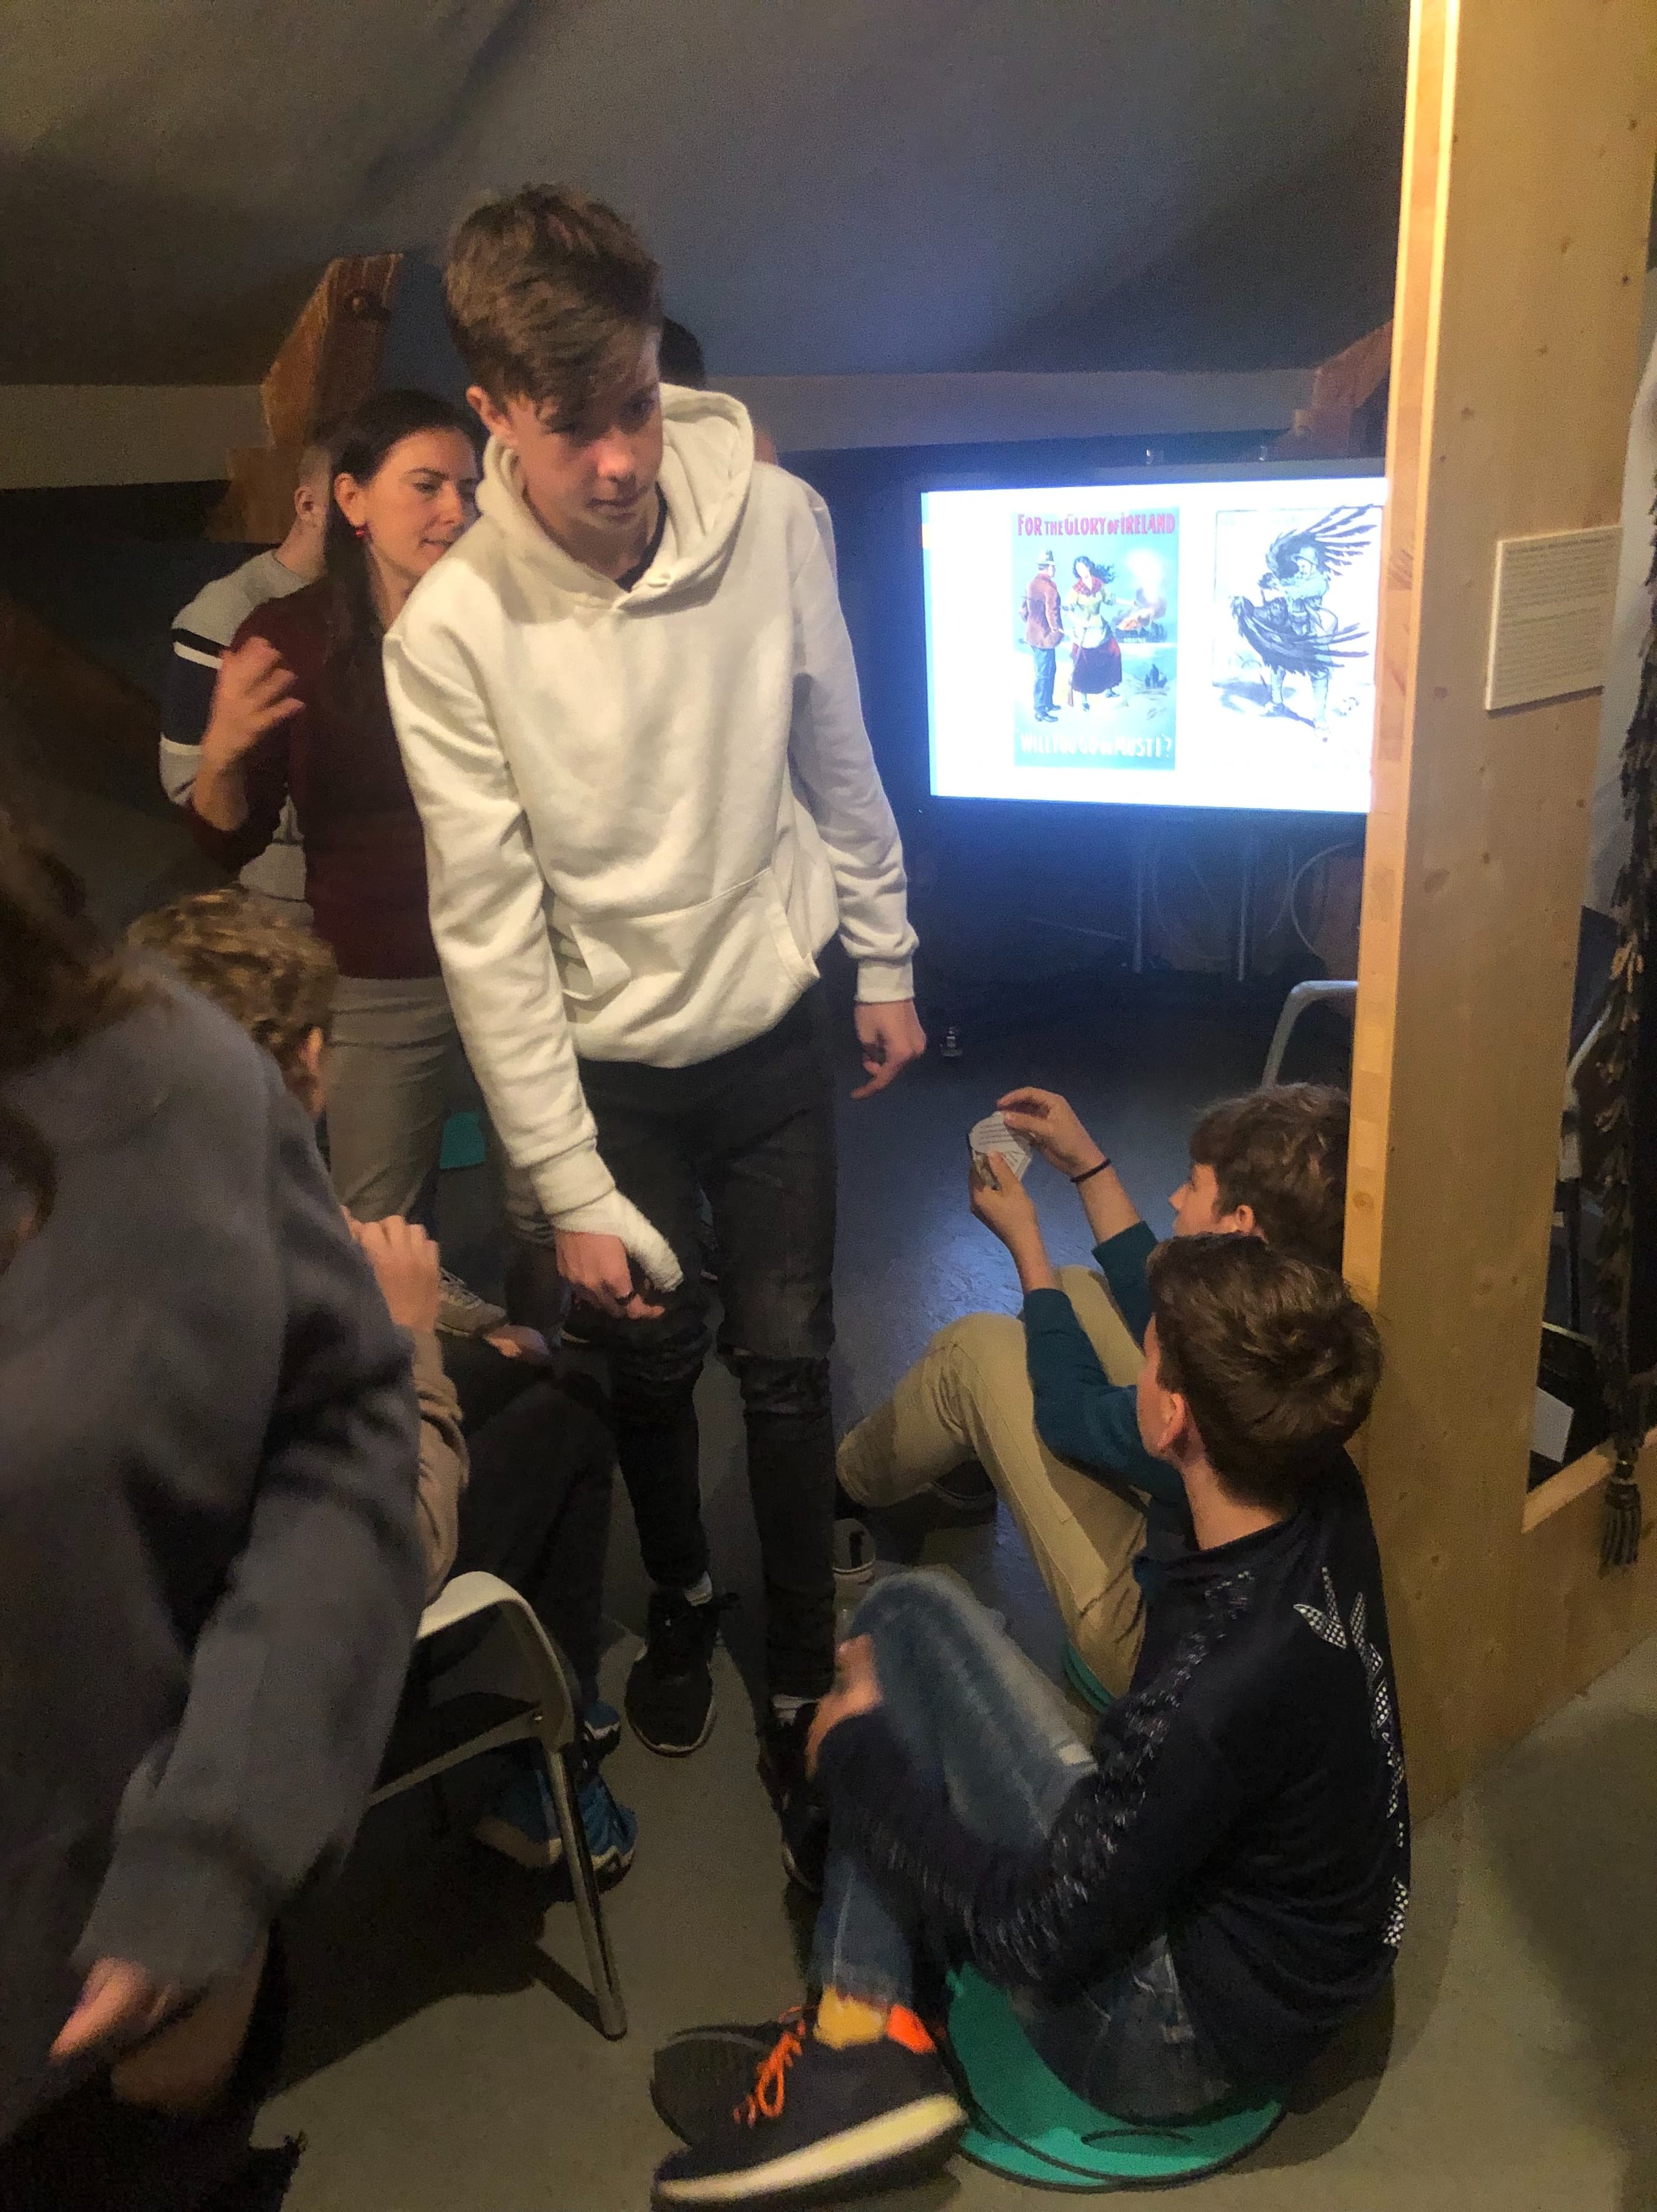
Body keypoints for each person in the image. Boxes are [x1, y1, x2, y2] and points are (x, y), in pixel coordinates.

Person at [381, 187, 924, 1880]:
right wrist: (565, 1180)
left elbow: (836, 744)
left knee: (786, 1358)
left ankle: (793, 1670)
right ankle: (682, 1596)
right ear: (493, 412)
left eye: (633, 403)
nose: (620, 459)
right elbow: (487, 928)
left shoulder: (773, 516)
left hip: (767, 1031)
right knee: (648, 1365)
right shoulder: (452, 629)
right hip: (605, 1069)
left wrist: (885, 953)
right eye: (573, 428)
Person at [652, 1234, 1405, 2208]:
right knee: (912, 1607)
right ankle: (859, 2015)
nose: (1136, 1372)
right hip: (1317, 1961)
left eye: (1148, 1358)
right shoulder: (1316, 1486)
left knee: (885, 1687)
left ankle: (852, 2051)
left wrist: (860, 1765)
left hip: (1178, 2038)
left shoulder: (1210, 1685)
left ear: (1172, 1413)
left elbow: (1032, 1934)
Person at [0, 808, 425, 2209]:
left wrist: (215, 1849)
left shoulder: (158, 1077)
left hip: (101, 2051)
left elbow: (331, 1442)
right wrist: (436, 1358)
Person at [126, 887, 637, 1877]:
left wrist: (466, 1336)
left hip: (164, 1611)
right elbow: (401, 1544)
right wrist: (415, 1343)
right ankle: (552, 1771)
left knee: (523, 1360)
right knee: (572, 1413)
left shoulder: (149, 1194)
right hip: (302, 1629)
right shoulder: (249, 1272)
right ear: (310, 1060)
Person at [838, 1082, 1350, 1702]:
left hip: (1161, 1647)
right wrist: (1088, 1167)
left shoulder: (1217, 1396)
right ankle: (965, 1466)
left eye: (1192, 1185)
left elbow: (1068, 1414)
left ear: (1241, 1227)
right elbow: (1161, 1293)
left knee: (972, 1352)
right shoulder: (1302, 1324)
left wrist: (1025, 1242)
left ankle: (842, 1488)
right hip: (1236, 1589)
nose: (1174, 1196)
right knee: (1080, 1290)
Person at [182, 388, 485, 1229]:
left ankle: (548, 1316)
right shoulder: (290, 636)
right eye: (426, 486)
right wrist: (221, 755)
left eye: (469, 488)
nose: (456, 511)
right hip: (383, 971)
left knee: (551, 1212)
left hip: (524, 955)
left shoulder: (507, 624)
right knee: (380, 1220)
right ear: (352, 500)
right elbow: (228, 838)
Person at [160, 437, 332, 909]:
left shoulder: (378, 601)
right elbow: (185, 780)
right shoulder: (225, 613)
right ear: (309, 504)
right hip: (287, 900)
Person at [1064, 555, 1122, 708]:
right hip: (1084, 630)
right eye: (1078, 569)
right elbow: (1068, 609)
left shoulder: (1098, 584)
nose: (1081, 570)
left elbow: (1110, 600)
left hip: (1100, 627)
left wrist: (1129, 602)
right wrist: (1079, 621)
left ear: (1089, 567)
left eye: (1083, 567)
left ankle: (1109, 689)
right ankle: (1084, 700)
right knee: (1085, 664)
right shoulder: (1076, 590)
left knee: (1113, 654)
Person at [1021, 549, 1063, 723]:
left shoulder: (1031, 584)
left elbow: (1023, 610)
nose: (1055, 569)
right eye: (1053, 566)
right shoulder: (1049, 587)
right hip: (1046, 637)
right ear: (1048, 567)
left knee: (1049, 670)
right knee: (1044, 673)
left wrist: (1031, 625)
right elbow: (1051, 612)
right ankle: (1040, 710)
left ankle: (1047, 703)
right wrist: (1056, 630)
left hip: (1034, 636)